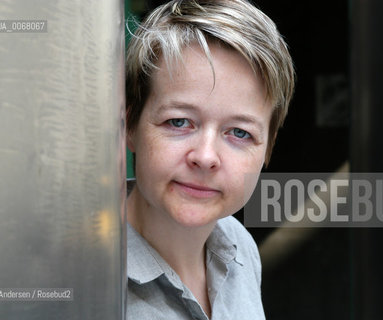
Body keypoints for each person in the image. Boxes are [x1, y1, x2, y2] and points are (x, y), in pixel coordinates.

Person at [125, 0, 294, 319]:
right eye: (178, 122)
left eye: (239, 133)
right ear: (130, 127)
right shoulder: (77, 276)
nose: (205, 157)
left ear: (267, 148)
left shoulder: (238, 243)